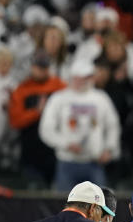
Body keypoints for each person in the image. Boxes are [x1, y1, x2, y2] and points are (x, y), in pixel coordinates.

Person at [38, 58, 121, 191]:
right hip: (67, 162)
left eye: (86, 77)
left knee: (99, 207)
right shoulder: (58, 98)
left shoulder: (101, 98)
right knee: (66, 206)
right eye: (78, 77)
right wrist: (66, 143)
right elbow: (46, 130)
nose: (81, 81)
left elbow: (113, 126)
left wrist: (109, 149)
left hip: (94, 162)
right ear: (72, 77)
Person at [8, 51, 68, 188]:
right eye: (38, 67)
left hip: (56, 151)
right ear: (32, 67)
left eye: (44, 67)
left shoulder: (60, 86)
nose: (41, 71)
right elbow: (15, 121)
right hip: (31, 151)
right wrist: (36, 112)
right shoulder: (22, 89)